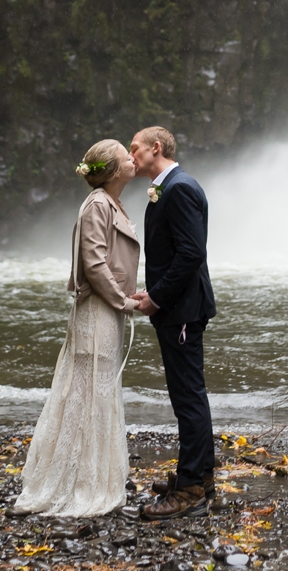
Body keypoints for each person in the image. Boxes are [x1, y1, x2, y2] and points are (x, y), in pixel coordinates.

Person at [13, 139, 140, 517]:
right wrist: (124, 300)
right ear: (115, 171)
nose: (133, 158)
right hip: (98, 312)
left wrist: (129, 293)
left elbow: (109, 262)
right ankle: (77, 485)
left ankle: (93, 479)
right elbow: (94, 263)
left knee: (95, 393)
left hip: (107, 308)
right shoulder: (98, 204)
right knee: (87, 394)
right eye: (125, 155)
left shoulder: (110, 201)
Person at [128, 125, 216, 521]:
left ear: (155, 149)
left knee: (187, 398)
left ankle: (192, 489)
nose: (131, 156)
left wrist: (157, 297)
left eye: (135, 149)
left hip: (180, 309)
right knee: (188, 396)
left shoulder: (178, 188)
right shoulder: (170, 186)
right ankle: (199, 477)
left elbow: (192, 254)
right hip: (177, 307)